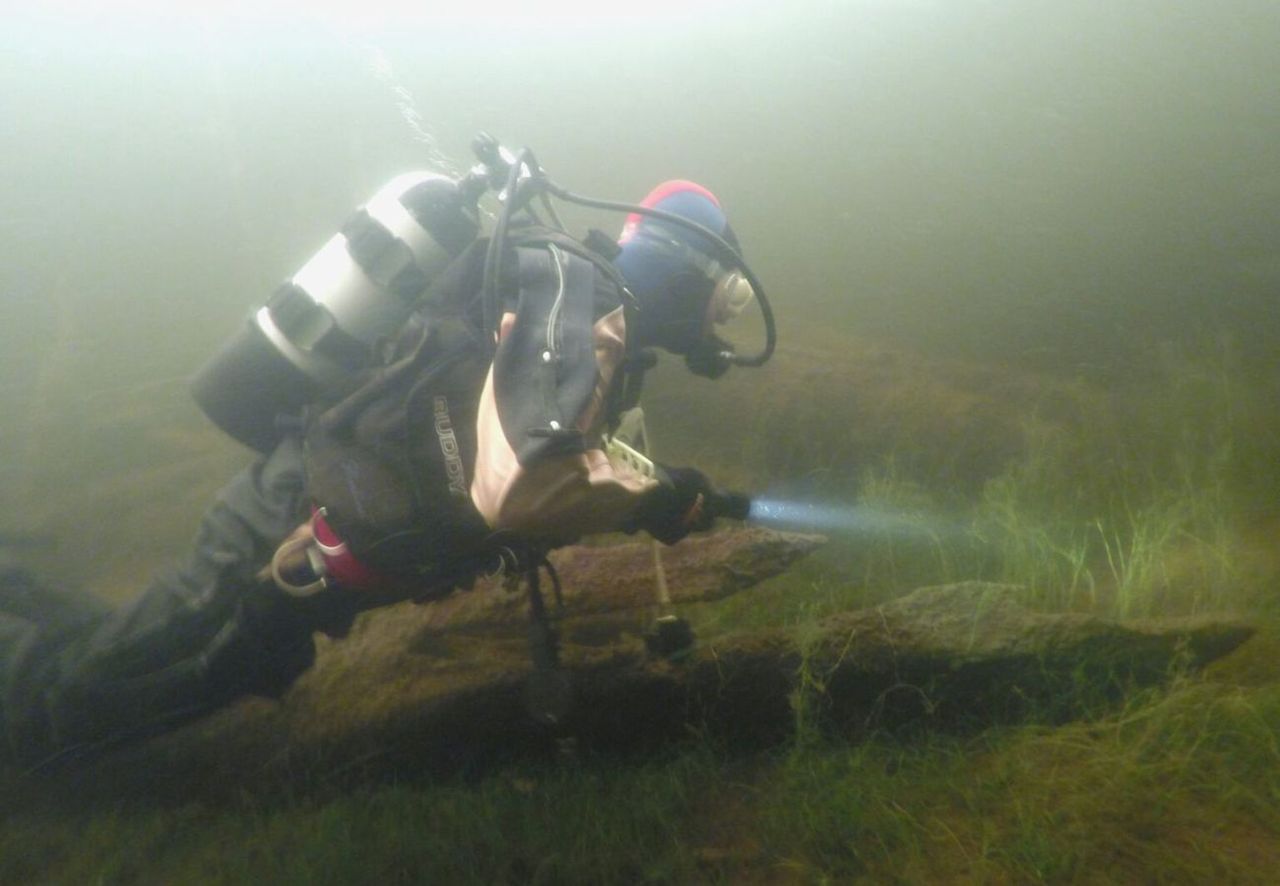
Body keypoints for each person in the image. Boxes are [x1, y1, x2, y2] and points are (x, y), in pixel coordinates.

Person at [0, 175, 762, 769]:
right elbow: (523, 484)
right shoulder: (585, 309)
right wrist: (651, 500)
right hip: (289, 536)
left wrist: (658, 490)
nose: (721, 325)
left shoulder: (573, 294)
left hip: (310, 532)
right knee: (89, 695)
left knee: (128, 656)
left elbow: (516, 436)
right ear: (695, 276)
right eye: (726, 301)